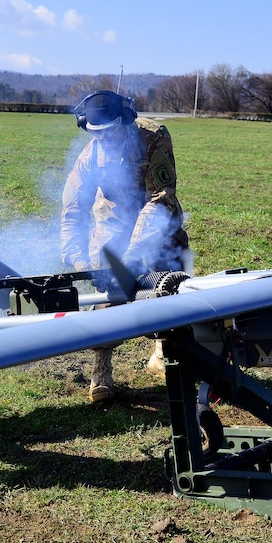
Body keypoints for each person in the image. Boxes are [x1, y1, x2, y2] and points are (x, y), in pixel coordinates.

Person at [60, 90, 190, 402]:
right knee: (108, 291)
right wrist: (79, 260)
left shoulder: (153, 137)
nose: (105, 140)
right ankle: (101, 368)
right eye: (97, 135)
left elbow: (160, 198)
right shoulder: (89, 157)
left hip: (157, 212)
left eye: (111, 132)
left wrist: (133, 255)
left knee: (170, 278)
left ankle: (162, 351)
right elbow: (72, 211)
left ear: (126, 122)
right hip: (112, 222)